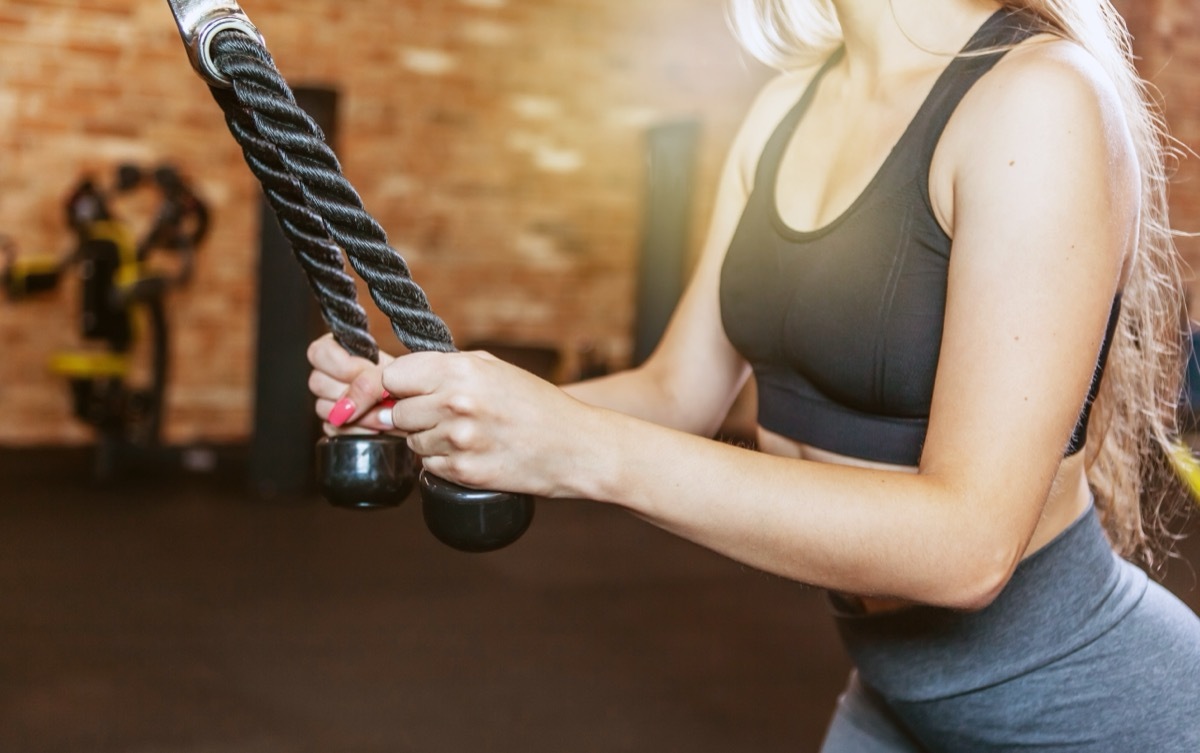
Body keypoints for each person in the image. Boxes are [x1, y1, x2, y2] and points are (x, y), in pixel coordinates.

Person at [307, 1, 1200, 749]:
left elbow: (967, 547)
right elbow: (676, 391)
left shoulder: (1037, 100)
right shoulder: (788, 107)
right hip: (898, 691)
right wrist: (433, 403)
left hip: (1098, 707)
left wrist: (577, 448)